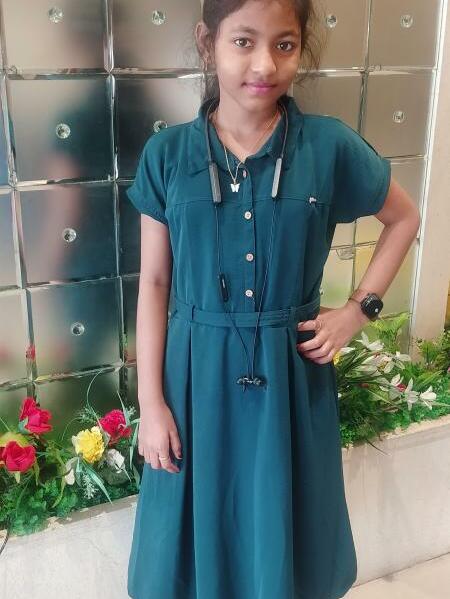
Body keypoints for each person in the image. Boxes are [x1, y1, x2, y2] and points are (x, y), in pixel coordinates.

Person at [125, 1, 421, 597]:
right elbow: (154, 284)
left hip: (291, 376)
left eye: (284, 45)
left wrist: (357, 311)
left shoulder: (329, 146)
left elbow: (405, 217)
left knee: (284, 530)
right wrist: (151, 404)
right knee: (189, 532)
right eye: (243, 41)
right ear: (207, 43)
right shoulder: (168, 155)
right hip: (193, 378)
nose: (264, 64)